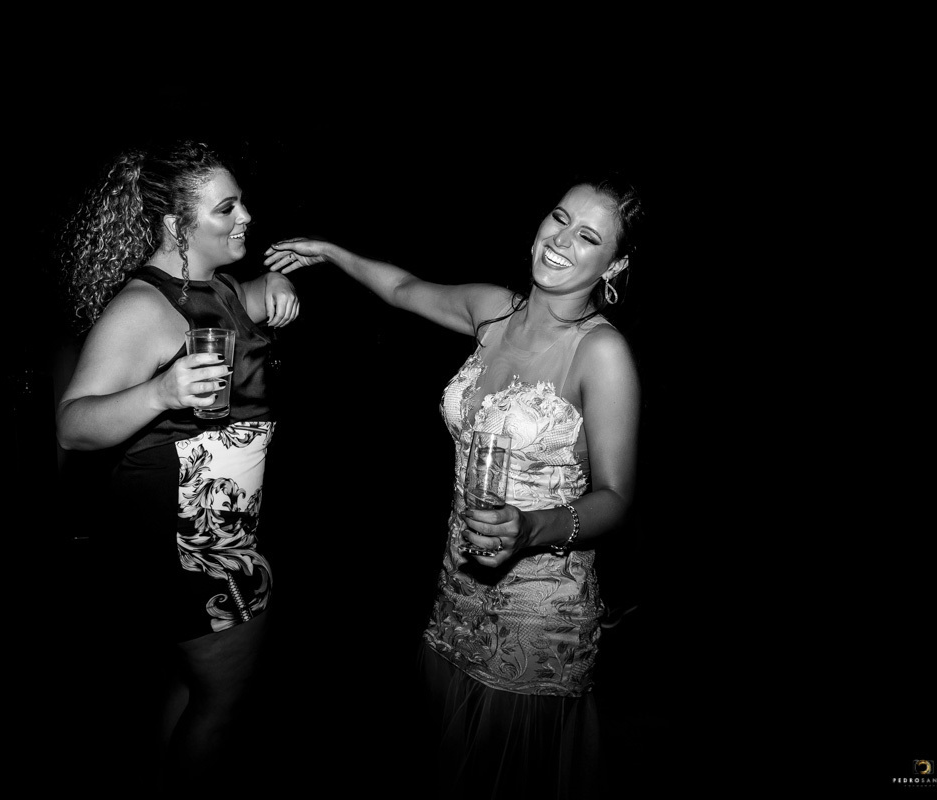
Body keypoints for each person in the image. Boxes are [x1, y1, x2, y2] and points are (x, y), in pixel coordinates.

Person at [264, 172, 643, 798]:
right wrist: (330, 252)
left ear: (614, 265)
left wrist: (531, 529)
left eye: (588, 237)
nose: (561, 240)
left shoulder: (600, 353)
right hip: (454, 594)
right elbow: (403, 288)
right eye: (558, 218)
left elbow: (618, 499)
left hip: (538, 615)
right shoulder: (493, 311)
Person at [55, 140, 299, 793]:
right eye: (226, 208)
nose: (245, 215)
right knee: (222, 704)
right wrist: (159, 393)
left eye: (242, 202)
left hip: (219, 531)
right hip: (195, 548)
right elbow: (73, 425)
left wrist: (272, 285)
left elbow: (238, 303)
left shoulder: (211, 284)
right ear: (177, 225)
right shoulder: (144, 307)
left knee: (191, 691)